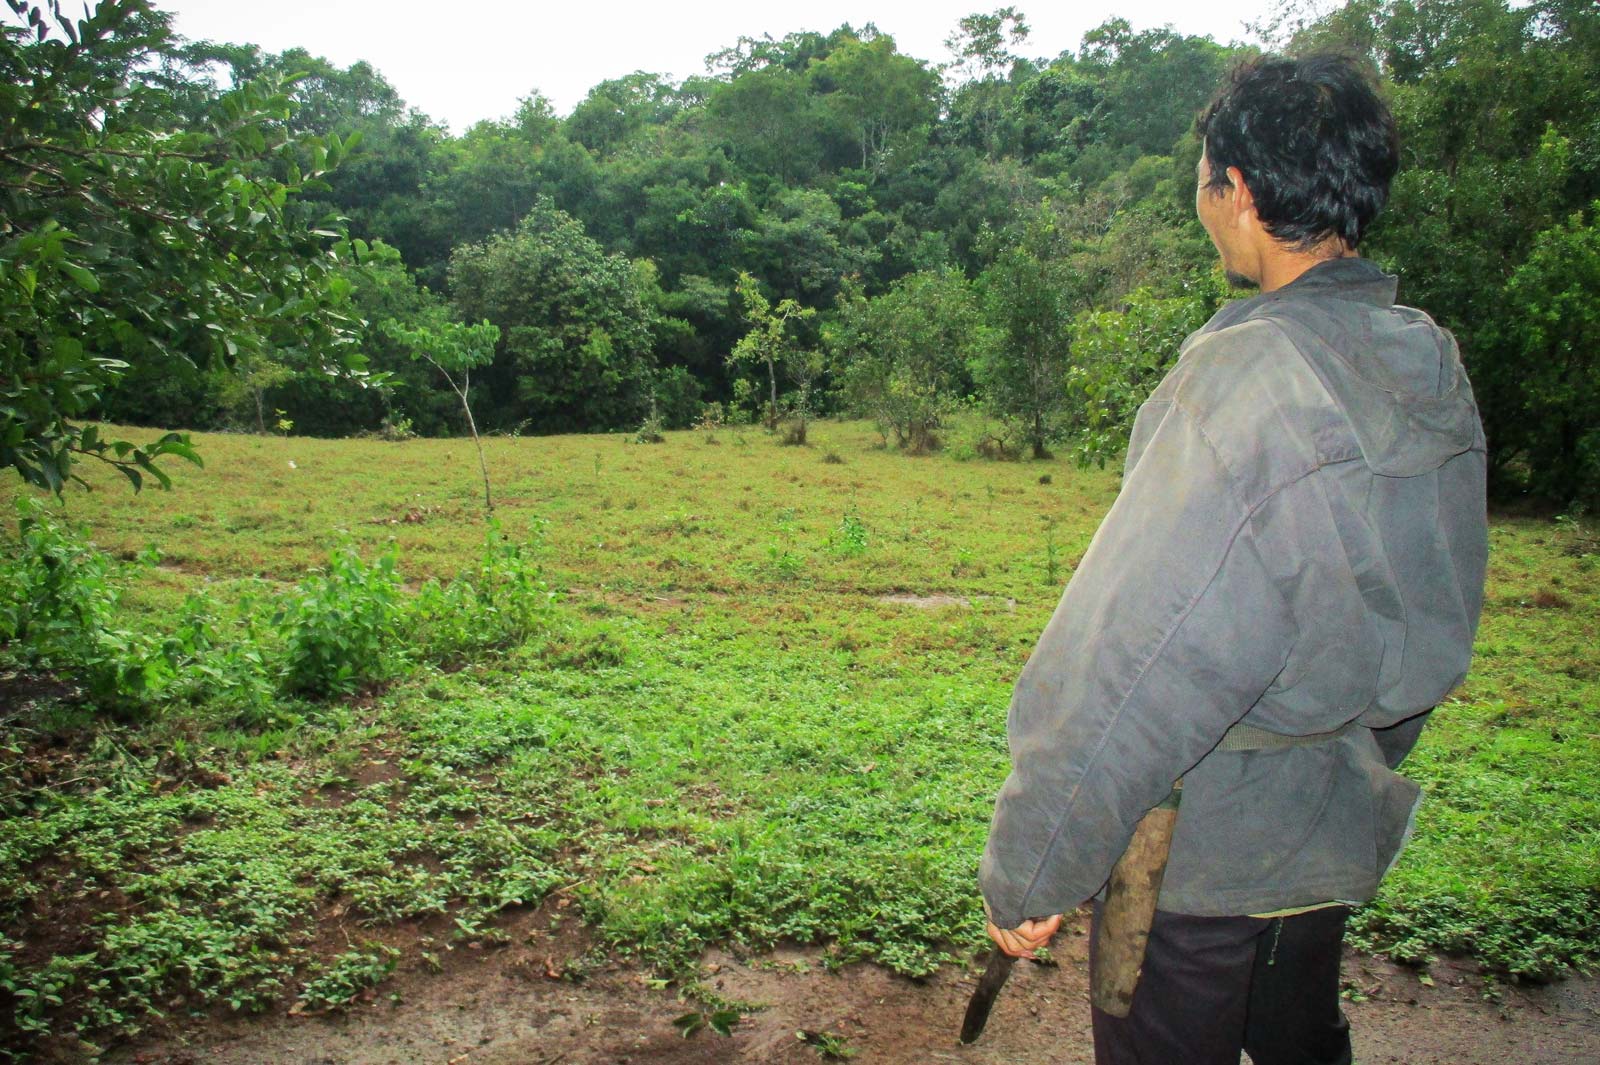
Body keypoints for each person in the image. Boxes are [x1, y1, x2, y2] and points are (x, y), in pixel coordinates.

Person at [978, 53, 1488, 1065]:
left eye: (1204, 175)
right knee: (1300, 1044)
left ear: (1237, 190)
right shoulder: (1418, 359)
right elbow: (1439, 615)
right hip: (1329, 834)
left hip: (1200, 868)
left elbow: (1130, 666)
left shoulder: (1247, 379)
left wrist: (1034, 865)